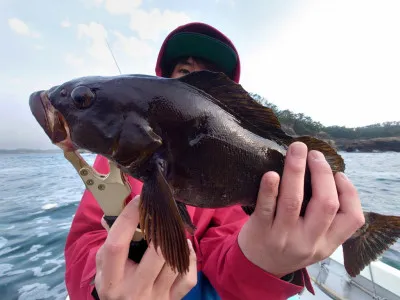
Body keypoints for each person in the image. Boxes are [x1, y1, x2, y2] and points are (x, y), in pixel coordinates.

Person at [64, 22, 365, 300]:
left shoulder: (243, 182)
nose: (195, 80)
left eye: (211, 76)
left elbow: (229, 252)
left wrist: (268, 262)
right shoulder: (112, 165)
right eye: (184, 70)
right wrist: (100, 284)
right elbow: (84, 241)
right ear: (161, 84)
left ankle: (366, 235)